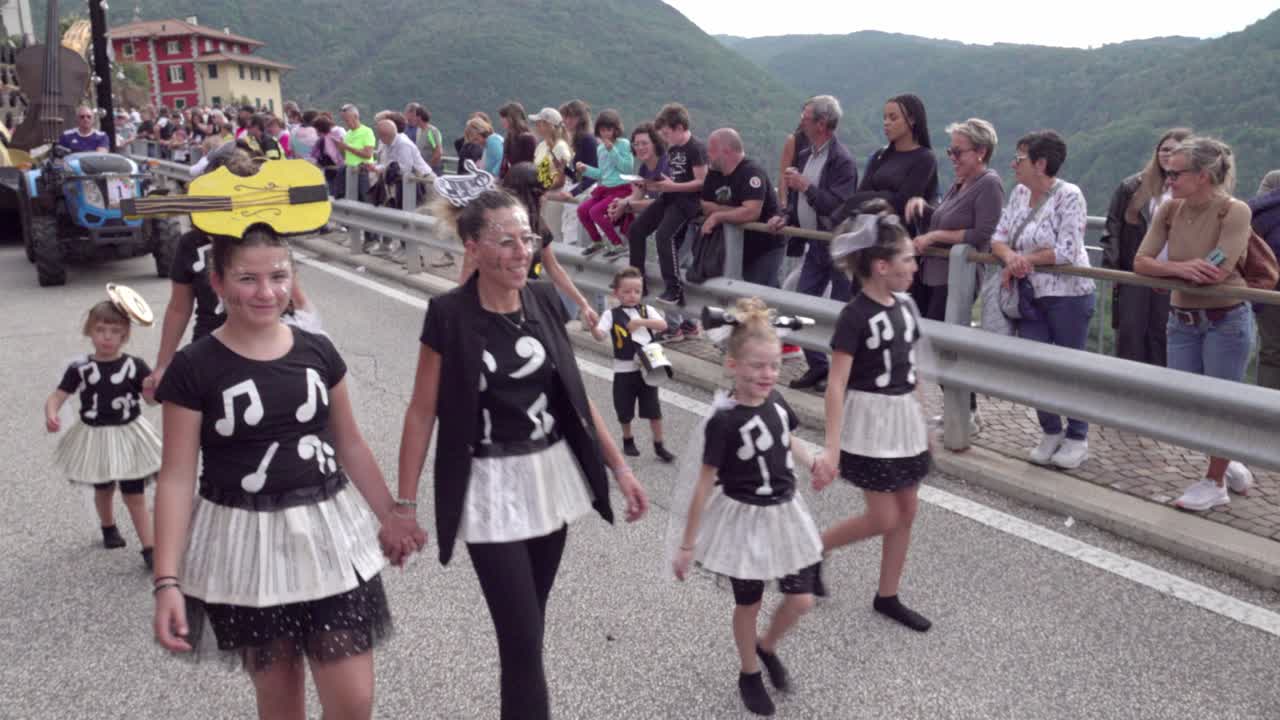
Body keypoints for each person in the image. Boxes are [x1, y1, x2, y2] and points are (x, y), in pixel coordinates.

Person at [388, 188, 648, 720]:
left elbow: (575, 397)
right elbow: (421, 411)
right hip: (488, 486)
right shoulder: (448, 316)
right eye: (505, 241)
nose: (520, 252)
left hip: (547, 478)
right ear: (473, 246)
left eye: (526, 238)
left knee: (528, 633)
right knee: (523, 638)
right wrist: (405, 503)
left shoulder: (544, 303)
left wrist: (620, 469)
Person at [152, 228, 398, 719]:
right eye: (248, 278)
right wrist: (167, 580)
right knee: (281, 701)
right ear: (217, 283)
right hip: (248, 547)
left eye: (278, 276)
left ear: (293, 278)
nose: (266, 292)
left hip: (330, 539)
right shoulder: (193, 368)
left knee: (353, 703)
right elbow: (177, 477)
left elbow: (349, 442)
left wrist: (393, 515)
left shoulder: (319, 351)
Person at [672, 297, 823, 717]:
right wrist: (687, 545)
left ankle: (767, 645)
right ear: (734, 365)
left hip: (784, 511)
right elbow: (703, 484)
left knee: (802, 599)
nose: (767, 374)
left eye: (774, 365)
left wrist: (813, 461)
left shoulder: (777, 403)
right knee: (749, 602)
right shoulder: (724, 420)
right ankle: (749, 670)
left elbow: (786, 437)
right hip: (743, 519)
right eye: (757, 366)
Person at [813, 212, 933, 633]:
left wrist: (924, 420)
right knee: (883, 517)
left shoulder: (904, 307)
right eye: (907, 260)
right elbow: (836, 383)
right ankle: (816, 548)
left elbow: (911, 369)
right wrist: (831, 445)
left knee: (908, 510)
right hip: (871, 424)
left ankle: (888, 594)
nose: (914, 268)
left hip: (904, 421)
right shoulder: (854, 316)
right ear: (881, 267)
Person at [1134, 137, 1256, 511]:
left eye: (1175, 173)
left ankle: (1214, 480)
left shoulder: (1234, 212)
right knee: (1188, 403)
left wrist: (1169, 271)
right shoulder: (1169, 210)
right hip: (1182, 320)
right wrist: (1180, 268)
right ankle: (1227, 456)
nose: (1167, 178)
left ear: (1202, 176)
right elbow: (1141, 261)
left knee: (1220, 402)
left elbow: (1216, 270)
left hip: (1225, 319)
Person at [148, 152, 316, 396]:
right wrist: (163, 365)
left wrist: (314, 348)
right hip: (211, 351)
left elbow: (296, 298)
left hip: (270, 348)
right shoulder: (191, 244)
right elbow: (178, 307)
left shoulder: (267, 240)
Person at [990, 131, 1095, 469]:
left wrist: (1025, 260)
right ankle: (1050, 430)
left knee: (1069, 367)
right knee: (1035, 365)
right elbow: (999, 237)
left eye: (1019, 158)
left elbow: (1066, 251)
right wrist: (1010, 258)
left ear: (1040, 163)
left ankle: (1078, 436)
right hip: (1030, 294)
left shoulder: (1070, 196)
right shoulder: (1020, 193)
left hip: (1067, 296)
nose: (1013, 164)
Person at [45, 294, 160, 568]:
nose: (107, 337)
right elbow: (58, 396)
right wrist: (51, 413)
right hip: (95, 435)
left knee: (135, 494)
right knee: (104, 486)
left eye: (115, 331)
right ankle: (108, 527)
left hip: (129, 434)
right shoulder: (81, 368)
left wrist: (152, 387)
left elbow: (152, 400)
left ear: (125, 334)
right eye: (100, 330)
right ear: (90, 331)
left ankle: (150, 548)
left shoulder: (135, 366)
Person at [904, 117, 1004, 430]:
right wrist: (926, 209)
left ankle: (966, 410)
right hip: (935, 274)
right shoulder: (960, 183)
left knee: (942, 344)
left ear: (981, 152)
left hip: (957, 278)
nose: (953, 159)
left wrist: (933, 237)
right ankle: (958, 408)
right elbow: (946, 219)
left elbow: (981, 233)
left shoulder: (989, 183)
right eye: (951, 152)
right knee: (936, 344)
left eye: (958, 152)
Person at [766, 95, 859, 392]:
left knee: (842, 313)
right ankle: (819, 368)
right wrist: (785, 216)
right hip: (815, 245)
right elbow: (798, 201)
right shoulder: (807, 153)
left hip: (839, 248)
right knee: (800, 304)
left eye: (806, 116)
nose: (801, 120)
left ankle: (847, 376)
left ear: (821, 123)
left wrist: (806, 186)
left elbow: (838, 207)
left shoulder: (842, 160)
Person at [1101, 128, 1193, 366]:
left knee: (1163, 336)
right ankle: (1127, 392)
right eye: (1164, 149)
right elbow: (1113, 226)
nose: (1168, 155)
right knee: (1131, 334)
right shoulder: (1132, 187)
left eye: (1175, 150)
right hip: (1136, 273)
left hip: (1175, 275)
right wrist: (1114, 269)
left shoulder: (1193, 191)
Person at [590, 266, 674, 461]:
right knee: (624, 408)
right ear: (616, 293)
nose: (632, 295)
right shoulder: (611, 314)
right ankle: (628, 439)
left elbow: (663, 325)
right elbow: (600, 336)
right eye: (626, 291)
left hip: (649, 368)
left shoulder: (647, 310)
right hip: (624, 369)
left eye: (637, 291)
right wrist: (594, 326)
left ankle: (659, 444)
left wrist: (642, 322)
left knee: (654, 409)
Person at [628, 103, 707, 306]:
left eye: (667, 133)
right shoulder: (673, 148)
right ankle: (638, 281)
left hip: (688, 201)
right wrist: (651, 184)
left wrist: (672, 187)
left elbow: (701, 182)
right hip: (670, 195)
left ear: (680, 128)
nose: (664, 138)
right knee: (636, 229)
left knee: (664, 235)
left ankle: (674, 289)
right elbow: (670, 180)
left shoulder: (696, 149)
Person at [835, 94, 938, 226]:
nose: (886, 122)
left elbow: (903, 202)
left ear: (912, 119)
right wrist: (889, 196)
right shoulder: (881, 155)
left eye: (893, 118)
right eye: (885, 118)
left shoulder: (925, 158)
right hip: (866, 229)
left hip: (897, 237)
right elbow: (859, 195)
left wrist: (877, 197)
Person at [700, 128, 782, 287]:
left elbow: (752, 212)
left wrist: (718, 215)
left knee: (759, 291)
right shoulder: (714, 173)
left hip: (765, 246)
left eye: (711, 151)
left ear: (726, 151)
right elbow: (704, 205)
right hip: (738, 245)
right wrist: (738, 210)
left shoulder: (751, 172)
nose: (707, 155)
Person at [575, 109, 635, 257]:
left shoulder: (623, 144)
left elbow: (626, 168)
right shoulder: (600, 148)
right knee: (582, 210)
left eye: (609, 129)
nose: (606, 133)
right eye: (602, 130)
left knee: (595, 211)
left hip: (621, 188)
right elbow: (602, 173)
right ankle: (597, 241)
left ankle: (617, 244)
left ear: (615, 129)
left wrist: (612, 150)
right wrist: (586, 169)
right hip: (605, 188)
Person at [1249, 169, 1280, 391]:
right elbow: (1254, 225)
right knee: (1271, 350)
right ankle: (1265, 410)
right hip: (1271, 287)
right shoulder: (1274, 179)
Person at [529, 107, 574, 244]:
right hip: (543, 196)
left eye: (539, 123)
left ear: (548, 126)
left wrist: (542, 189)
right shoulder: (542, 145)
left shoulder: (561, 147)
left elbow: (561, 178)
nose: (536, 126)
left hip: (554, 197)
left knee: (553, 235)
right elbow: (538, 169)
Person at [333, 104, 375, 201]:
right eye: (344, 120)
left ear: (356, 116)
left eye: (347, 119)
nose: (346, 123)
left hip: (362, 173)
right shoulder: (347, 134)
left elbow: (368, 155)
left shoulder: (367, 132)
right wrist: (340, 148)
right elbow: (347, 155)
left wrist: (347, 147)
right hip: (349, 173)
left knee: (364, 200)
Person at [498, 102, 537, 179]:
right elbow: (504, 164)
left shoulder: (528, 139)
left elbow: (529, 165)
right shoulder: (509, 137)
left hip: (523, 181)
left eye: (504, 117)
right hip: (511, 180)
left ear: (512, 118)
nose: (501, 121)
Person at [409, 105, 444, 175]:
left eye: (413, 116)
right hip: (422, 169)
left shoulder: (431, 132)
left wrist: (428, 166)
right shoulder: (418, 130)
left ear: (419, 117)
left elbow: (438, 152)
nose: (411, 119)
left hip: (432, 169)